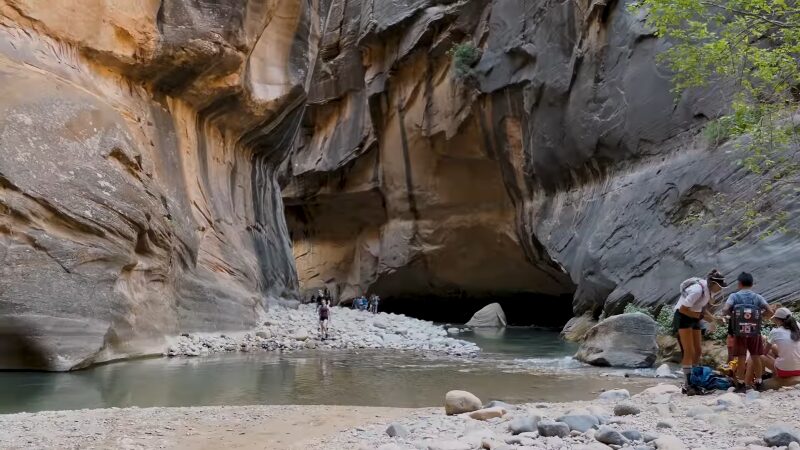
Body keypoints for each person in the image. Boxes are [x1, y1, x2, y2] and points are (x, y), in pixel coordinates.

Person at [674, 269, 727, 395]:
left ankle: (695, 380)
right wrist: (701, 317)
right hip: (683, 317)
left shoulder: (709, 292)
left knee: (697, 350)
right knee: (689, 350)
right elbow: (683, 309)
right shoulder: (697, 290)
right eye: (719, 286)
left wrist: (714, 319)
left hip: (694, 316)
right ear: (712, 283)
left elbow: (702, 309)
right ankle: (688, 384)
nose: (720, 289)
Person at [720, 272, 770, 392]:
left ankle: (741, 384)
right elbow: (769, 310)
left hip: (739, 331)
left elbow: (725, 309)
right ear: (752, 284)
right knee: (756, 356)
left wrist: (732, 317)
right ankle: (759, 382)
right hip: (755, 331)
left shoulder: (734, 296)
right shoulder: (757, 297)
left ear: (739, 283)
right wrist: (759, 317)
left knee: (741, 357)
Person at [761, 307, 800, 380]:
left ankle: (763, 376)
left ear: (777, 320)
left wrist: (763, 342)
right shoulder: (797, 326)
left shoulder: (775, 332)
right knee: (774, 348)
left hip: (785, 371)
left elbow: (764, 352)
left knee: (760, 355)